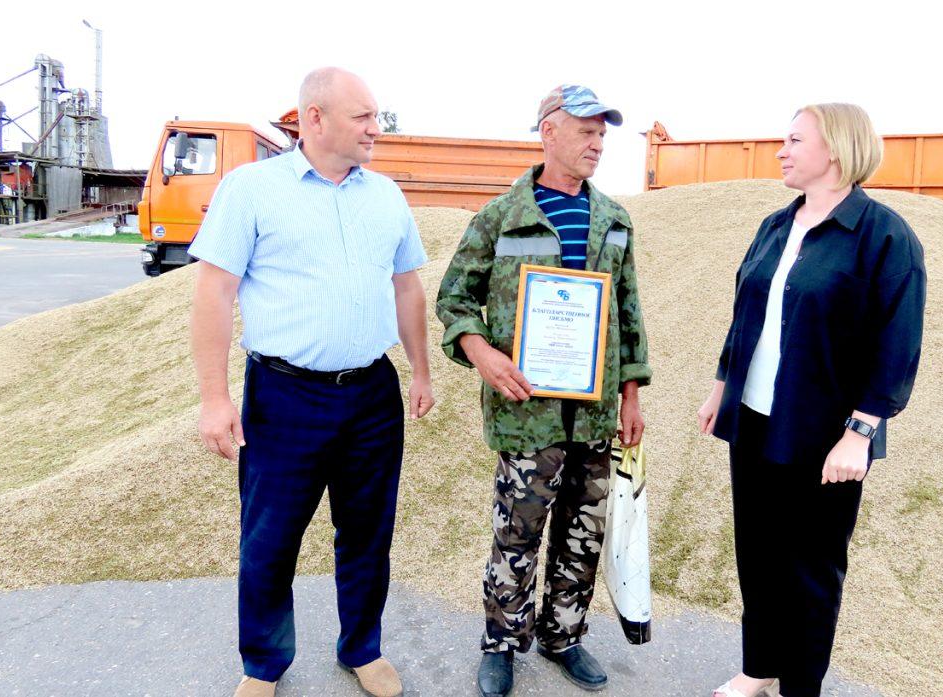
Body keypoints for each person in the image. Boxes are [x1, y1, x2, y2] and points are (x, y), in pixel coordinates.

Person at [189, 67, 435, 697]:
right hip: (283, 396)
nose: (376, 129)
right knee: (269, 538)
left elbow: (407, 286)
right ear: (316, 118)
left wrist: (421, 370)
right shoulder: (251, 190)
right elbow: (215, 291)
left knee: (367, 532)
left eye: (377, 116)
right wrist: (215, 399)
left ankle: (363, 648)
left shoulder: (385, 196)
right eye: (364, 117)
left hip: (371, 397)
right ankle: (264, 665)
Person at [697, 103, 926, 697]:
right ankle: (759, 669)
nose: (781, 150)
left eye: (795, 139)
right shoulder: (776, 225)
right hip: (752, 419)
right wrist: (723, 386)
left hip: (825, 435)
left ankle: (800, 688)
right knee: (758, 554)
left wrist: (861, 430)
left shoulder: (884, 236)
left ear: (837, 150)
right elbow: (747, 313)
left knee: (811, 571)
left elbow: (897, 344)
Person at [436, 84, 651, 697]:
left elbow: (628, 312)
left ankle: (564, 635)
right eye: (586, 131)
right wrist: (483, 354)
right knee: (519, 529)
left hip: (595, 412)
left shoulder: (614, 220)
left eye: (603, 133)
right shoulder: (501, 216)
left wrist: (631, 394)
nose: (597, 143)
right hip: (526, 411)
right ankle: (502, 643)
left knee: (583, 531)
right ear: (548, 132)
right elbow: (454, 297)